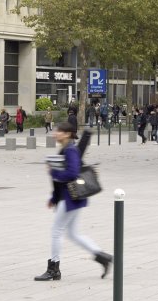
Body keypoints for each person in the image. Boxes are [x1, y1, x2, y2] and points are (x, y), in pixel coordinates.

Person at [33, 121, 112, 283]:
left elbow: (72, 173)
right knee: (73, 234)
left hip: (71, 197)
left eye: (59, 131)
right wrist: (53, 198)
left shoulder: (70, 150)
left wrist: (53, 172)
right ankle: (103, 257)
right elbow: (61, 180)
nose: (55, 133)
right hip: (72, 198)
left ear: (68, 134)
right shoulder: (66, 149)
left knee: (56, 231)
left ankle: (53, 269)